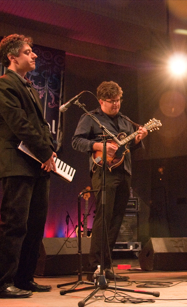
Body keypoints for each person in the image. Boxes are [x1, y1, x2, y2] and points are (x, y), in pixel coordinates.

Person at [0, 34, 56, 298]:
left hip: (36, 165)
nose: (34, 55)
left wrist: (51, 149)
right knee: (14, 225)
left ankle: (24, 278)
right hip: (17, 164)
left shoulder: (27, 86)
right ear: (12, 57)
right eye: (28, 52)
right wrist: (46, 151)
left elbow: (38, 126)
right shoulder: (4, 86)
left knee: (35, 225)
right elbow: (20, 125)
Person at [72, 81, 148, 281]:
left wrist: (138, 139)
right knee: (103, 218)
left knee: (116, 221)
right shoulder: (90, 118)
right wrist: (99, 145)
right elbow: (76, 141)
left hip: (124, 172)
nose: (116, 105)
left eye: (118, 101)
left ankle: (106, 267)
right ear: (101, 101)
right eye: (111, 101)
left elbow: (130, 146)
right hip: (103, 172)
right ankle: (93, 268)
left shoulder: (125, 121)